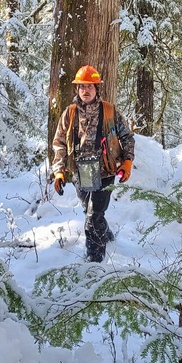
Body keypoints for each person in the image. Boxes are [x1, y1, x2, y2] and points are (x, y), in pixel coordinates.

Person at [51, 64, 135, 263]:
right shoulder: (69, 113)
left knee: (93, 215)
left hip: (105, 171)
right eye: (82, 87)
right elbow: (59, 143)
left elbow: (127, 138)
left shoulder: (109, 111)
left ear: (97, 88)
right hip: (81, 172)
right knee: (89, 211)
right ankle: (105, 232)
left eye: (90, 86)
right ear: (77, 89)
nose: (85, 90)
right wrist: (59, 172)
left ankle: (94, 262)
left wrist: (127, 162)